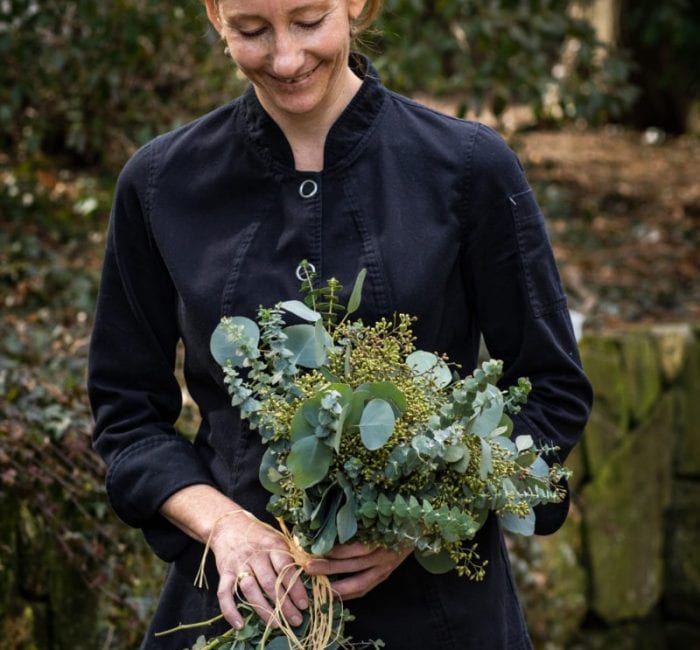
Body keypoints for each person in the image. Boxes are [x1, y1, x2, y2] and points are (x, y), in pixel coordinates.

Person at [88, 0, 593, 648]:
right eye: (252, 31)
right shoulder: (160, 184)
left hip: (440, 619)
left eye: (308, 21)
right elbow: (127, 415)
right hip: (236, 615)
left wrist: (423, 517)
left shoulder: (470, 169)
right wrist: (226, 529)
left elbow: (552, 391)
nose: (287, 59)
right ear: (215, 14)